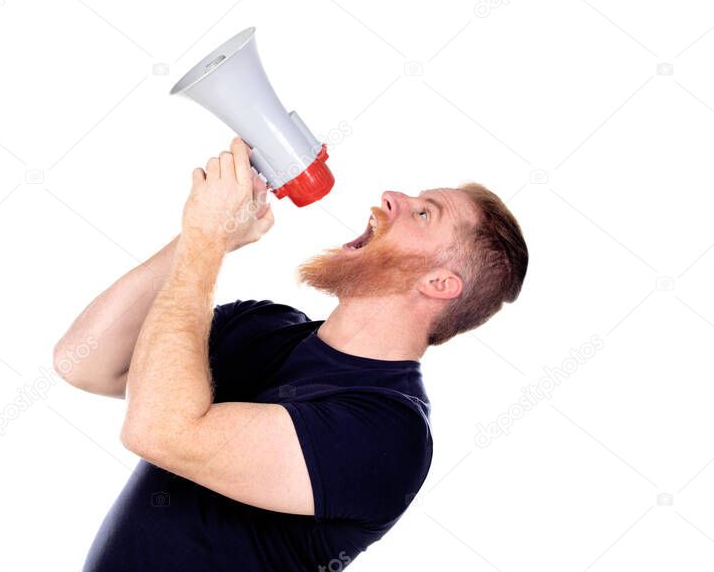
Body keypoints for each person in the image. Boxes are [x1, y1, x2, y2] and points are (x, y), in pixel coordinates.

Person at [54, 137, 528, 570]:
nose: (391, 198)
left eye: (425, 214)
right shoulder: (260, 325)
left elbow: (159, 430)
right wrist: (201, 240)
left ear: (439, 284)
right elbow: (83, 361)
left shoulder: (389, 431)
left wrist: (206, 240)